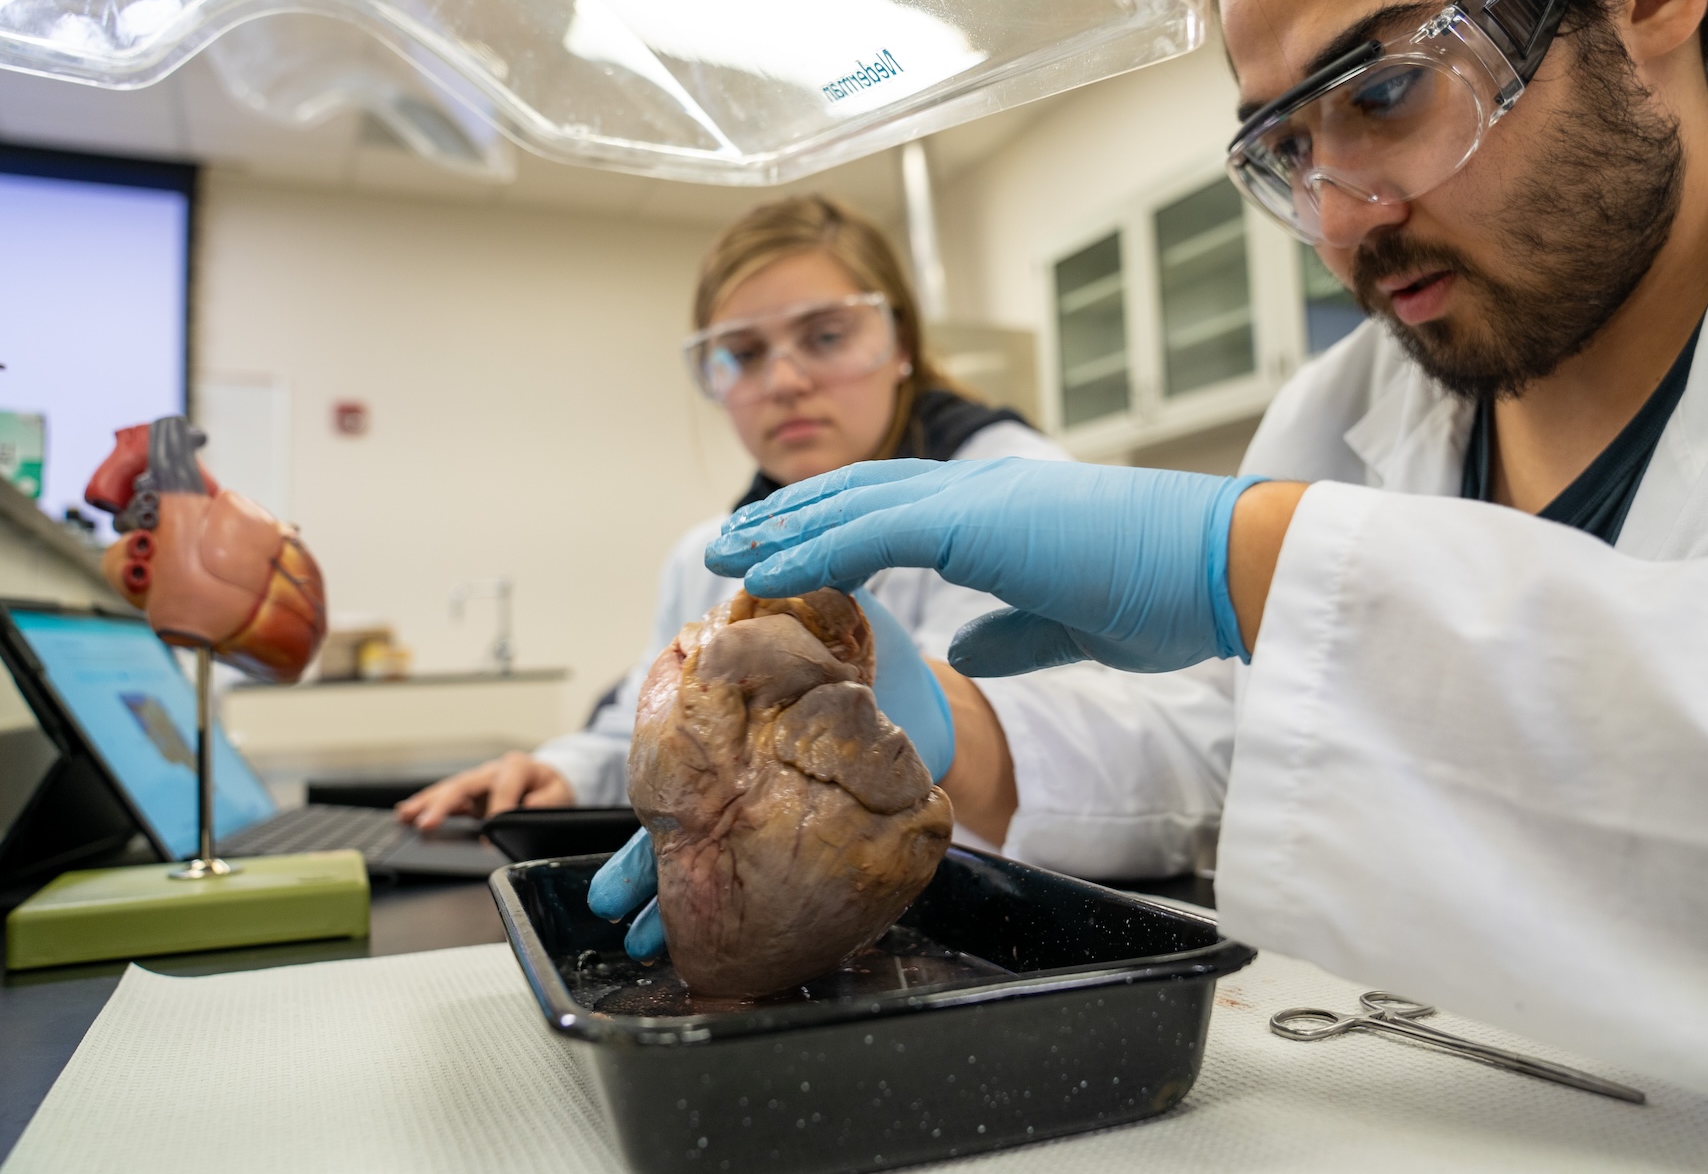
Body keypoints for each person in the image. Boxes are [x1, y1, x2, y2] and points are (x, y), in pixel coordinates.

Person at [694, 0, 1708, 1168]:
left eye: (1383, 94)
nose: (1336, 220)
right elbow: (1250, 743)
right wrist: (943, 732)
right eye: (1287, 148)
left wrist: (1255, 562)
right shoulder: (1352, 403)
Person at [395, 195, 1231, 874]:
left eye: (827, 335)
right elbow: (650, 727)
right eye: (743, 353)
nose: (786, 379)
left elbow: (1176, 765)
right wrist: (562, 773)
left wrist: (954, 729)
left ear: (899, 343)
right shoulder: (712, 554)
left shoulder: (1018, 489)